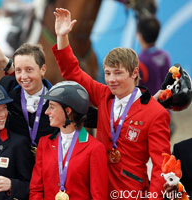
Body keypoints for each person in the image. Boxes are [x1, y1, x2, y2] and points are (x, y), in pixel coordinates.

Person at [52, 8, 170, 200]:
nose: (111, 79)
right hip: (96, 188)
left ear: (134, 73)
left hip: (130, 193)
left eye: (118, 73)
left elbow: (161, 167)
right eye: (107, 73)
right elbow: (72, 72)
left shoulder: (156, 114)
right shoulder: (103, 95)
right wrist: (62, 37)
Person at [29, 81, 107, 199]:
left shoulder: (95, 148)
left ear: (68, 111)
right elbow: (36, 190)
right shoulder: (44, 143)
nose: (47, 112)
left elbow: (98, 196)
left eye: (52, 107)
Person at [136, 16, 171, 96]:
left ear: (140, 36)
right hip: (165, 107)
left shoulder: (140, 62)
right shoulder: (165, 56)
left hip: (149, 107)